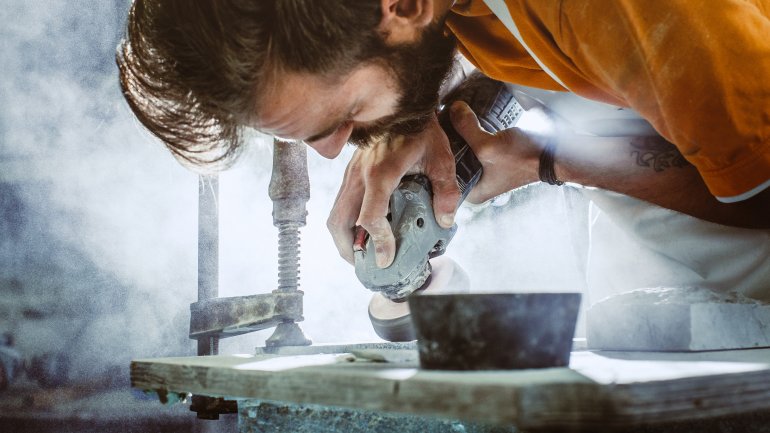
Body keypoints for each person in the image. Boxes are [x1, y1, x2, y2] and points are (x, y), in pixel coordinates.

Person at [117, 0, 770, 274]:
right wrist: (416, 108)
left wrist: (546, 159)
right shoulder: (437, 14)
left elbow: (759, 200)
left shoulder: (668, 16)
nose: (330, 152)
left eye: (341, 118)